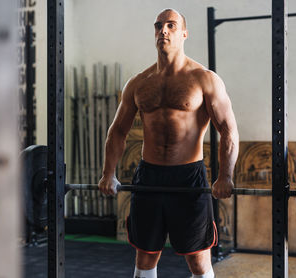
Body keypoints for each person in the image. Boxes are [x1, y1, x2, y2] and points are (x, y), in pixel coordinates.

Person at [98, 8, 239, 278]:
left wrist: (226, 176)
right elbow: (117, 132)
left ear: (184, 33)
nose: (163, 30)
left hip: (189, 178)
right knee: (146, 255)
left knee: (198, 260)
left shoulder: (204, 79)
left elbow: (228, 130)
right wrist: (108, 173)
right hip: (149, 176)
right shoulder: (138, 83)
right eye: (159, 25)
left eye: (171, 26)